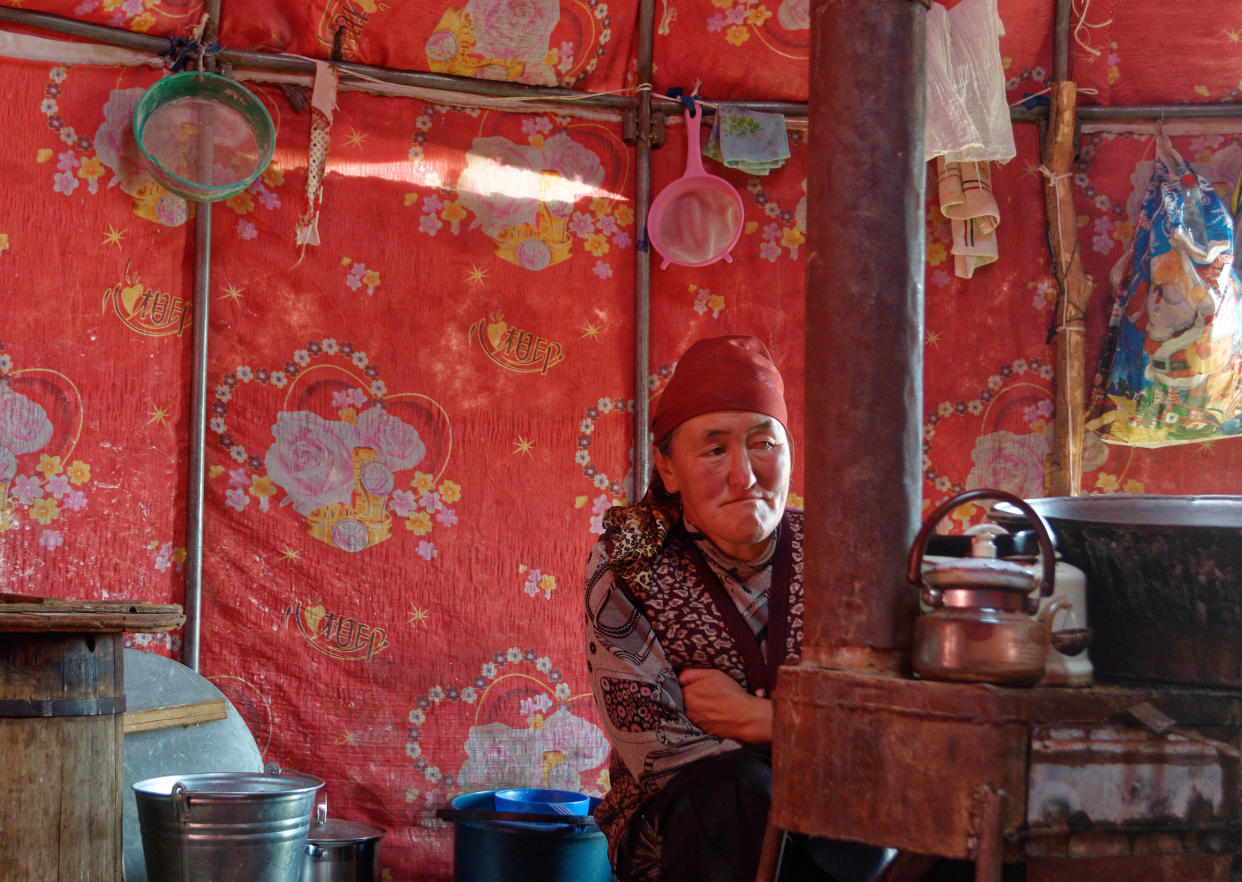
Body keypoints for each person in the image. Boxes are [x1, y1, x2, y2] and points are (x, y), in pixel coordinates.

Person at [583, 335, 889, 882]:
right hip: (685, 822)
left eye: (764, 444)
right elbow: (655, 743)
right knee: (736, 790)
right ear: (669, 469)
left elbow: (894, 732)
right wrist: (824, 736)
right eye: (714, 448)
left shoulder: (842, 556)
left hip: (836, 817)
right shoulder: (631, 557)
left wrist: (768, 720)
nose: (744, 476)